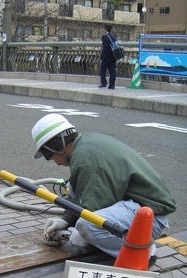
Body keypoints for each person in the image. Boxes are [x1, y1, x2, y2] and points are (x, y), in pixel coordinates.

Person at [31, 114, 176, 261]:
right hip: (136, 207)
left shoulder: (85, 161)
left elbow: (92, 210)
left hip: (149, 218)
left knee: (87, 226)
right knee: (74, 190)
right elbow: (82, 193)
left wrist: (79, 233)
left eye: (49, 156)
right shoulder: (87, 144)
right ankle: (124, 244)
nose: (55, 163)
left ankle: (141, 251)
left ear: (55, 147)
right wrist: (66, 219)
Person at [99, 24, 117, 89]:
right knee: (112, 71)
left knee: (102, 70)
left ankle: (103, 83)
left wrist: (101, 56)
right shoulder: (113, 37)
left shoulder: (104, 37)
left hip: (106, 57)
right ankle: (112, 85)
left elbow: (105, 48)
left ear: (105, 29)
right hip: (113, 56)